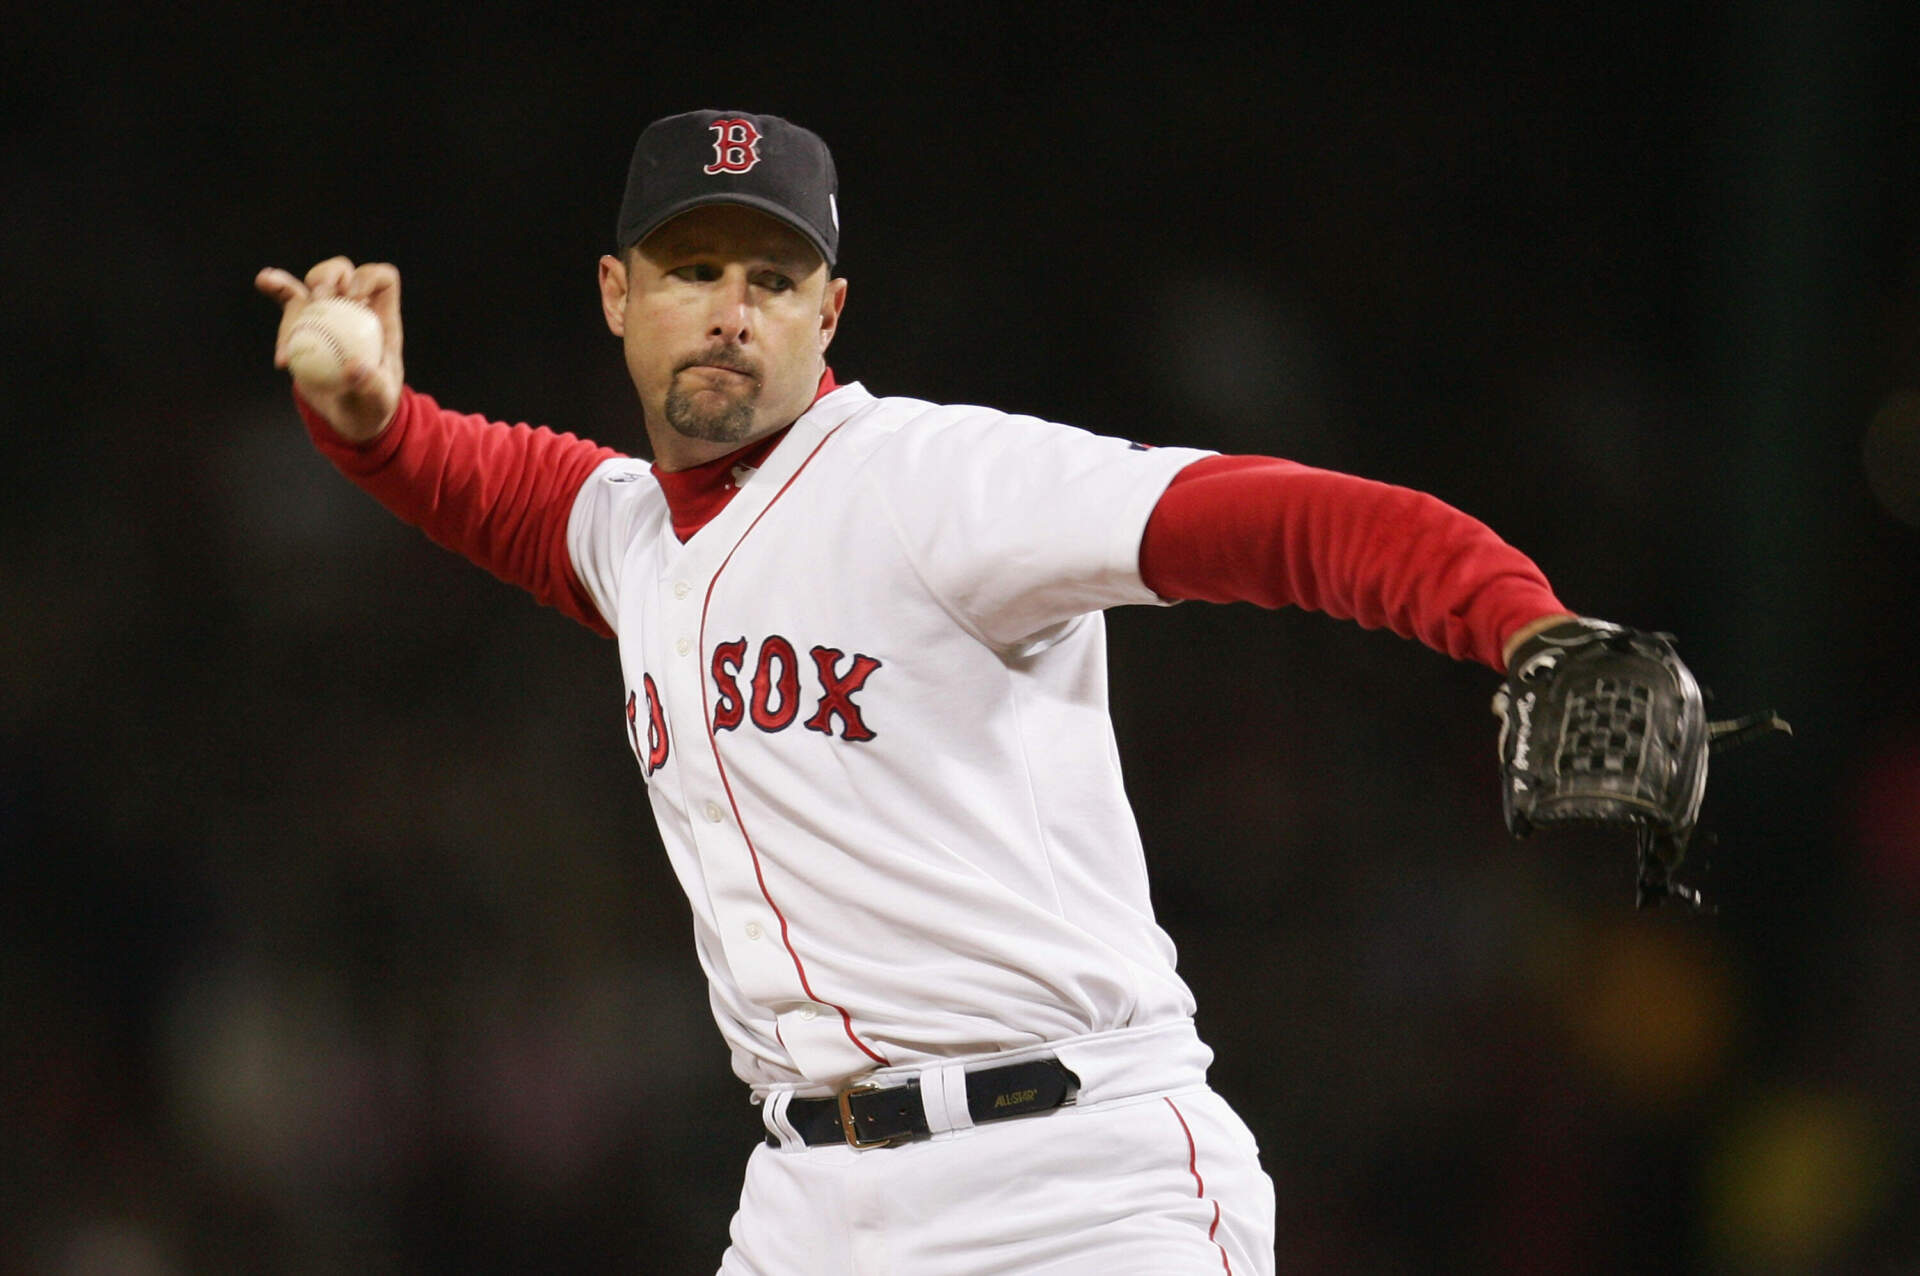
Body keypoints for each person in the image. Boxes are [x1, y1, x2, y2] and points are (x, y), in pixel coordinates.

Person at [257, 109, 1575, 1275]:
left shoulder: (933, 483)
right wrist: (371, 418)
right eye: (694, 269)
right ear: (616, 292)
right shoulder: (633, 534)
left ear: (828, 312)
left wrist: (1525, 625)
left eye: (774, 278)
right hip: (808, 1200)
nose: (732, 310)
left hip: (1074, 1189)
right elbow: (496, 487)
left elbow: (1275, 520)